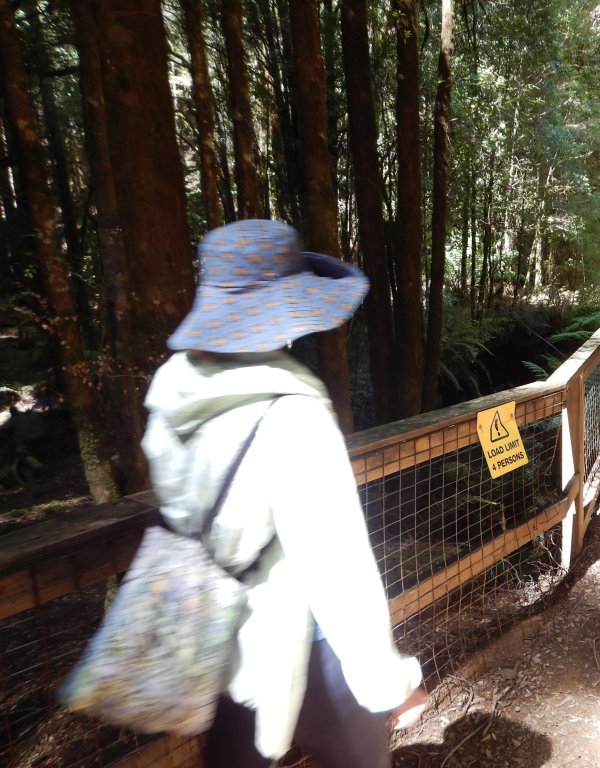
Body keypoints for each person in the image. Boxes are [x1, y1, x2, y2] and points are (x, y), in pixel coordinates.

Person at [140, 219, 428, 768]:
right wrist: (390, 686)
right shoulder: (293, 414)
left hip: (211, 632)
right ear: (288, 313)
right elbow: (336, 567)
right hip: (301, 642)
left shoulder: (173, 390)